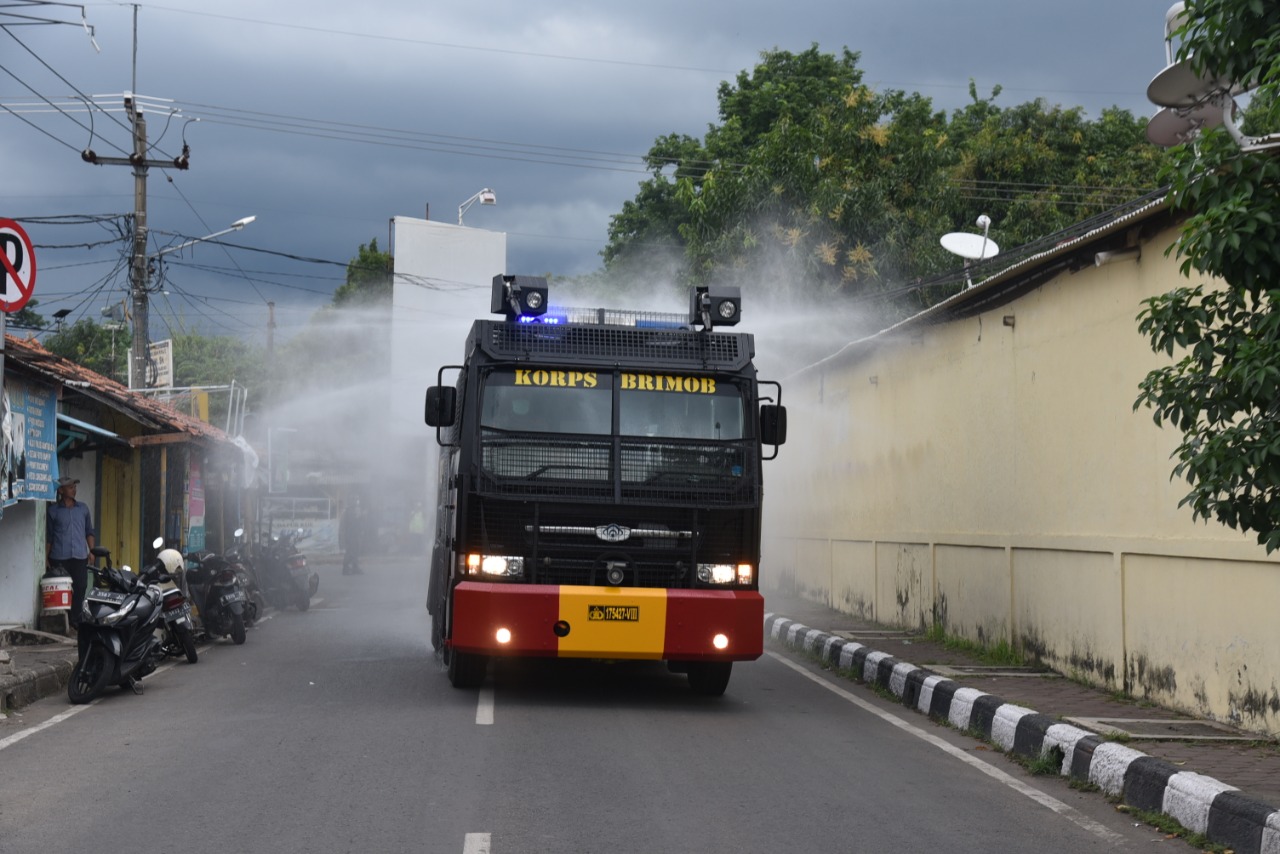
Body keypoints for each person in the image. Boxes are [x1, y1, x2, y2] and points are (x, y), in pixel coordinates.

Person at [46, 476, 96, 629]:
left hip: (80, 555)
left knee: (80, 586)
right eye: (70, 487)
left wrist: (91, 551)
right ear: (61, 491)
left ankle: (76, 619)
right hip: (59, 557)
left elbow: (89, 532)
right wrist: (45, 558)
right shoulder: (53, 511)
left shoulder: (83, 509)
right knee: (63, 590)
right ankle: (65, 619)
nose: (74, 489)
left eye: (74, 487)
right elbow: (49, 536)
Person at [340, 499, 364, 575]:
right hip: (351, 535)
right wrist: (359, 517)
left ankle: (354, 567)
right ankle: (346, 567)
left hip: (353, 535)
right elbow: (352, 524)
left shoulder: (350, 511)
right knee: (350, 551)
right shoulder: (349, 512)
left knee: (355, 551)